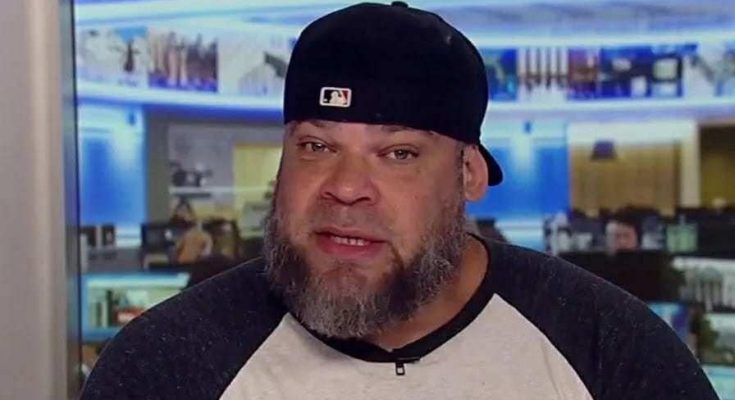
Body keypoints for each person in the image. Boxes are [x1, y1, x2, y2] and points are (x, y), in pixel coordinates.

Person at [81, 3, 717, 399]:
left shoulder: (611, 353)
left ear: (469, 174)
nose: (345, 186)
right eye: (316, 147)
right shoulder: (168, 365)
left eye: (399, 153)